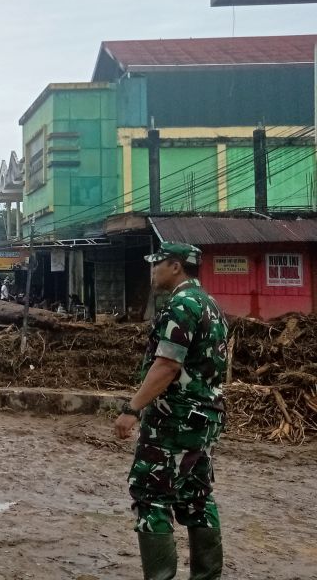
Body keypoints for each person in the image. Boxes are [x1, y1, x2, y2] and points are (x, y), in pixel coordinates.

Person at [114, 242, 227, 580]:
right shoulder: (211, 304)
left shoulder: (180, 306)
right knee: (196, 496)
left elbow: (166, 366)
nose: (152, 270)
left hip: (174, 418)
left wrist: (132, 408)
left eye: (157, 263)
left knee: (151, 495)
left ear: (175, 266)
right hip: (206, 416)